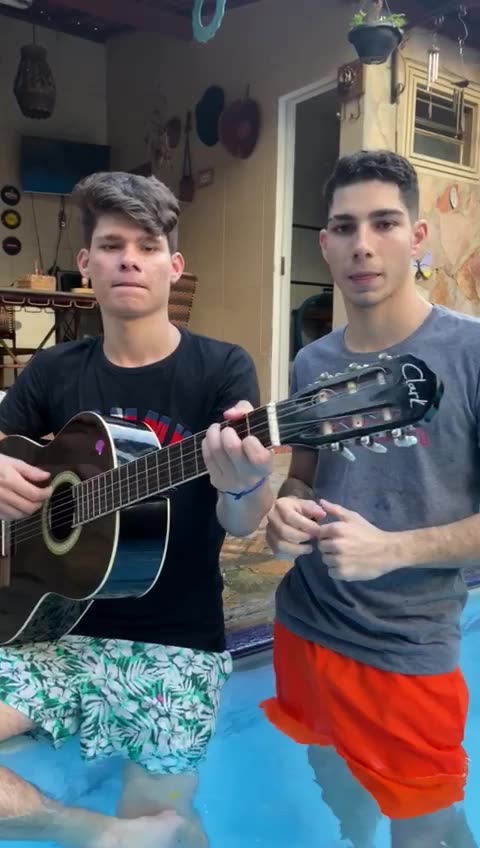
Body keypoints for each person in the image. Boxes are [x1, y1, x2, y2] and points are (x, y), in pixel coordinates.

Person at [0, 172, 273, 848]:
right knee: (125, 835)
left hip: (175, 643)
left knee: (165, 828)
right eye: (112, 245)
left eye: (147, 247)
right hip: (51, 633)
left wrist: (244, 486)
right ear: (85, 264)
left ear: (173, 267)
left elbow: (243, 522)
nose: (129, 260)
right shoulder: (54, 372)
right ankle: (81, 828)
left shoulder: (220, 369)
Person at [261, 150, 480, 848]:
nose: (363, 245)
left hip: (407, 644)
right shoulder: (313, 362)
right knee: (339, 788)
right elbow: (303, 473)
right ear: (324, 243)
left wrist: (393, 550)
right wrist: (285, 510)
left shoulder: (471, 354)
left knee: (422, 826)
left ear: (417, 237)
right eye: (344, 227)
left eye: (384, 223)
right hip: (305, 625)